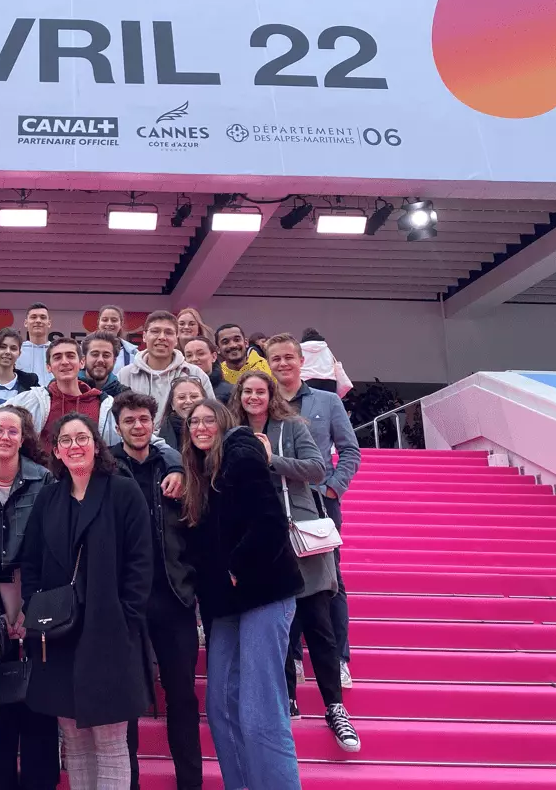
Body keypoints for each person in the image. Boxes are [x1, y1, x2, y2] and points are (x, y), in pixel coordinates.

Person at [229, 371, 362, 753]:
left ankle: (334, 706)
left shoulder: (292, 426)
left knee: (317, 620)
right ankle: (286, 698)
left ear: (271, 395)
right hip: (256, 536)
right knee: (276, 622)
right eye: (248, 391)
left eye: (261, 391)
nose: (254, 397)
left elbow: (317, 468)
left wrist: (272, 460)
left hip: (298, 530)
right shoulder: (232, 431)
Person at [20, 414, 153, 790]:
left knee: (110, 743)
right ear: (56, 451)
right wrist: (35, 608)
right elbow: (31, 561)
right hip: (58, 634)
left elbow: (141, 563)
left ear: (96, 445)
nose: (74, 446)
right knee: (75, 743)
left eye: (82, 438)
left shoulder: (123, 491)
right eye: (66, 440)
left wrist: (126, 617)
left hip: (109, 632)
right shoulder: (49, 497)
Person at [180, 400, 303, 790]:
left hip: (263, 592)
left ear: (223, 422)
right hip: (226, 604)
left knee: (259, 711)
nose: (201, 427)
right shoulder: (200, 472)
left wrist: (237, 566)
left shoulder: (241, 453)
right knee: (220, 706)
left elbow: (270, 521)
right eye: (194, 422)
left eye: (208, 420)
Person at [111, 393, 203, 790]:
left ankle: (190, 783)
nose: (137, 426)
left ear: (154, 423)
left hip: (174, 595)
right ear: (118, 426)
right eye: (129, 420)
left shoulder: (173, 465)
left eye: (144, 419)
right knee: (129, 699)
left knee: (182, 696)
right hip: (125, 601)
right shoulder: (106, 468)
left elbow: (194, 525)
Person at [0, 407, 60, 790]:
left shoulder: (45, 480)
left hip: (35, 595)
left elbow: (52, 548)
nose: (5, 437)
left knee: (39, 700)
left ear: (23, 438)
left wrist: (30, 607)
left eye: (13, 431)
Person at [265, 334, 361, 688]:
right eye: (276, 359)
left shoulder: (326, 401)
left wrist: (332, 488)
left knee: (329, 581)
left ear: (301, 361)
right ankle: (292, 656)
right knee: (284, 578)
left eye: (288, 357)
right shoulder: (264, 403)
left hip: (319, 504)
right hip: (276, 505)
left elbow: (350, 450)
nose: (283, 364)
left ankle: (339, 659)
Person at [5, 338, 118, 443]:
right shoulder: (32, 400)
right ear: (48, 367)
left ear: (82, 362)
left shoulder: (104, 405)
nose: (64, 362)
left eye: (70, 356)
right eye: (57, 357)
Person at [117, 311, 213, 422]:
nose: (162, 337)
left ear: (176, 338)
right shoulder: (125, 375)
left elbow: (211, 416)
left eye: (168, 332)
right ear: (144, 336)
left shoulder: (195, 374)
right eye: (155, 331)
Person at [0, 328, 40, 406]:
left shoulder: (30, 385)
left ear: (19, 353)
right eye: (3, 347)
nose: (8, 352)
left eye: (13, 348)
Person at [158, 375, 209, 451]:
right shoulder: (158, 440)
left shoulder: (219, 431)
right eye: (181, 397)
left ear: (204, 400)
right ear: (172, 404)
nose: (188, 401)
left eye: (194, 396)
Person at [299, 328, 354, 398]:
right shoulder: (326, 349)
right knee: (328, 404)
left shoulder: (301, 350)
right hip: (329, 382)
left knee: (309, 404)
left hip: (308, 382)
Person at [183, 335, 232, 404]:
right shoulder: (177, 388)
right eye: (189, 355)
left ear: (214, 357)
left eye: (200, 354)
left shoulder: (230, 391)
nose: (194, 359)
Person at [79, 330, 127, 397]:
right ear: (84, 359)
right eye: (95, 354)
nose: (100, 360)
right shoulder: (67, 390)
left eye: (106, 355)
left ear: (114, 361)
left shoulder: (124, 396)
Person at [16, 303, 53, 386]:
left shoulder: (57, 350)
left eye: (43, 317)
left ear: (49, 323)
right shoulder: (17, 351)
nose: (38, 321)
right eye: (33, 317)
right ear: (26, 323)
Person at [97, 304, 141, 371]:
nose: (109, 323)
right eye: (105, 320)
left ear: (121, 323)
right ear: (98, 322)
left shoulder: (133, 352)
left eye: (114, 320)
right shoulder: (84, 349)